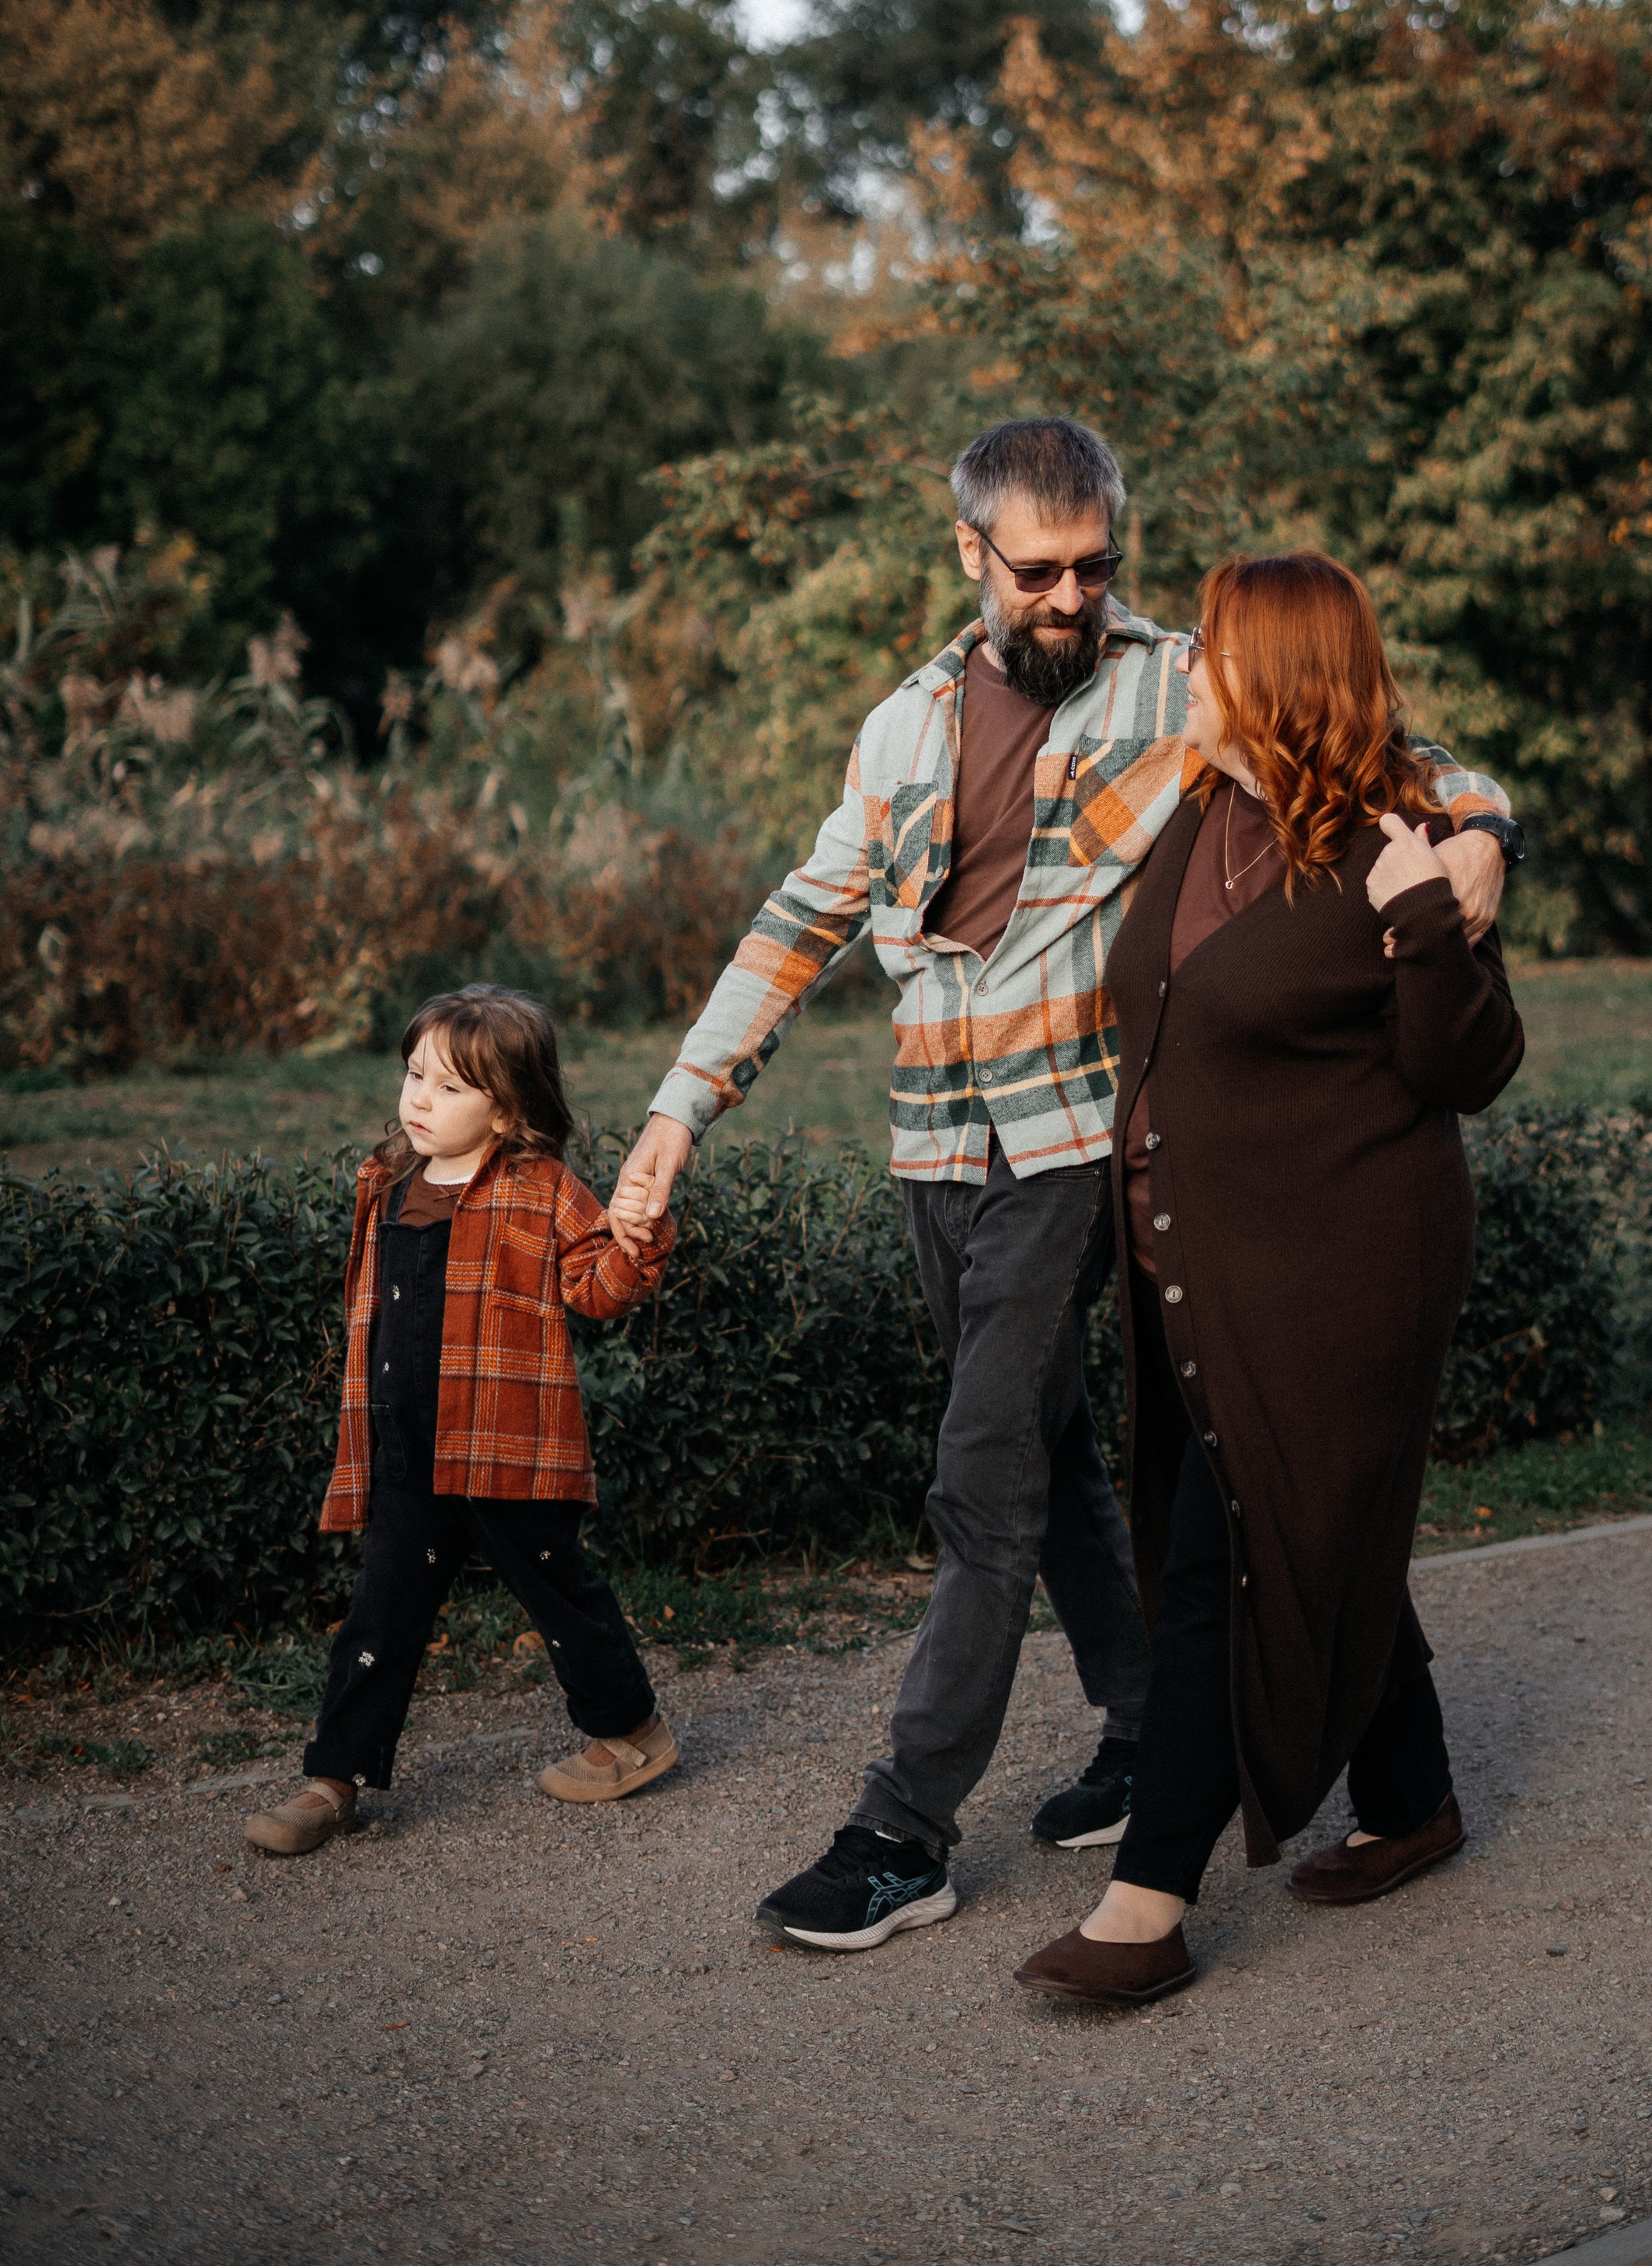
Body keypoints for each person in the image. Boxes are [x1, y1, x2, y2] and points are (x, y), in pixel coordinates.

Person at [613, 419, 1522, 1953]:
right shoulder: (899, 726)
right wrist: (678, 1109)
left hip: (1081, 1143)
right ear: (970, 553)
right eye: (1038, 571)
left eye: (1096, 565)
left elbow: (1393, 750)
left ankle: (902, 1835)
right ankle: (1165, 1727)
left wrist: (1484, 827)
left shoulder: (1178, 682)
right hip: (938, 1137)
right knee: (1062, 1449)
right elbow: (803, 915)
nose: (1072, 596)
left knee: (984, 1469)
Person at [1014, 553, 1525, 2005]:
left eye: (1214, 648)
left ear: (1280, 677)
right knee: (1302, 1523)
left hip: (1341, 1273)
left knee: (1224, 1561)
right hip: (1198, 1263)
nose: (1186, 667)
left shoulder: (1397, 844)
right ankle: (1413, 1800)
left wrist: (1433, 911)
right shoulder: (1205, 806)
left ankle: (1148, 1903)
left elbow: (1473, 1066)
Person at [245, 987, 680, 1858]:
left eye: (449, 1088)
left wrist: (638, 1234)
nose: (419, 1099)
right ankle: (333, 1780)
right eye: (415, 1075)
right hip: (407, 1447)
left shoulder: (541, 1189)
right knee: (379, 1617)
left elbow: (599, 1291)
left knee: (559, 1595)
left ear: (508, 1110)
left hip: (504, 1446)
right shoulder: (388, 1185)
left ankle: (633, 1733)